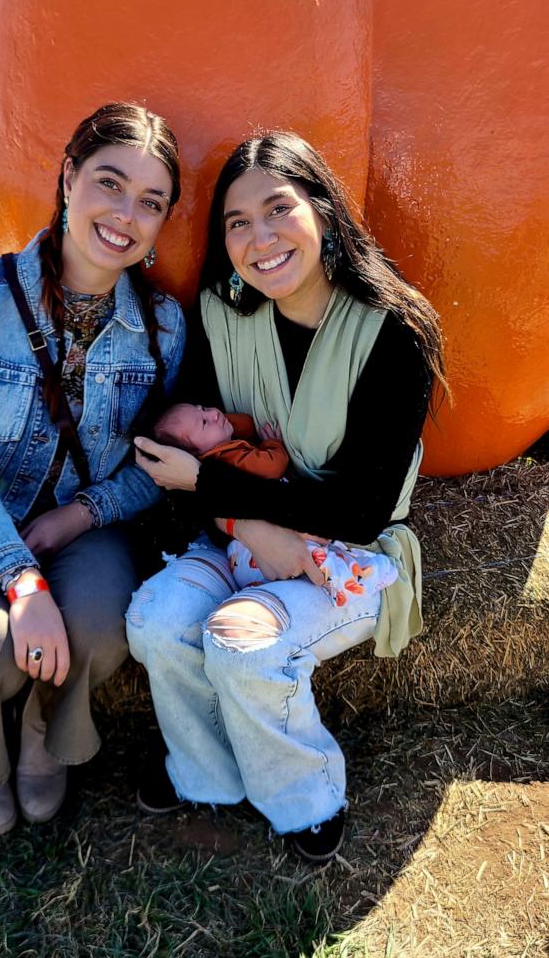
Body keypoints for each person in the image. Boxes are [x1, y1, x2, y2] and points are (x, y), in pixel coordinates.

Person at [126, 131, 447, 864]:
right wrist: (245, 518)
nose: (258, 238)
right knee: (154, 619)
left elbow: (363, 509)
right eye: (237, 222)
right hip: (238, 537)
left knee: (243, 647)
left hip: (352, 554)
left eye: (279, 209)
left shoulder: (394, 336)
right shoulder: (221, 314)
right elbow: (188, 446)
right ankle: (205, 775)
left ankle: (305, 799)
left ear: (325, 215)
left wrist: (220, 493)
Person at [0, 102, 185, 835]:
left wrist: (79, 515)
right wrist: (21, 576)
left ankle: (43, 732)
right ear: (68, 176)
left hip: (83, 519)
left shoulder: (164, 328)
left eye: (150, 202)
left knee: (101, 629)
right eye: (108, 182)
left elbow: (150, 465)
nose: (125, 214)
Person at [152, 402, 398, 603]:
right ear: (197, 455)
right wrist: (274, 445)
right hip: (261, 533)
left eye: (203, 407)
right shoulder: (229, 459)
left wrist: (220, 422)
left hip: (241, 549)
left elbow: (245, 423)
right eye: (205, 422)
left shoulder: (217, 451)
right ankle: (353, 581)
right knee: (314, 554)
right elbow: (272, 465)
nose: (213, 413)